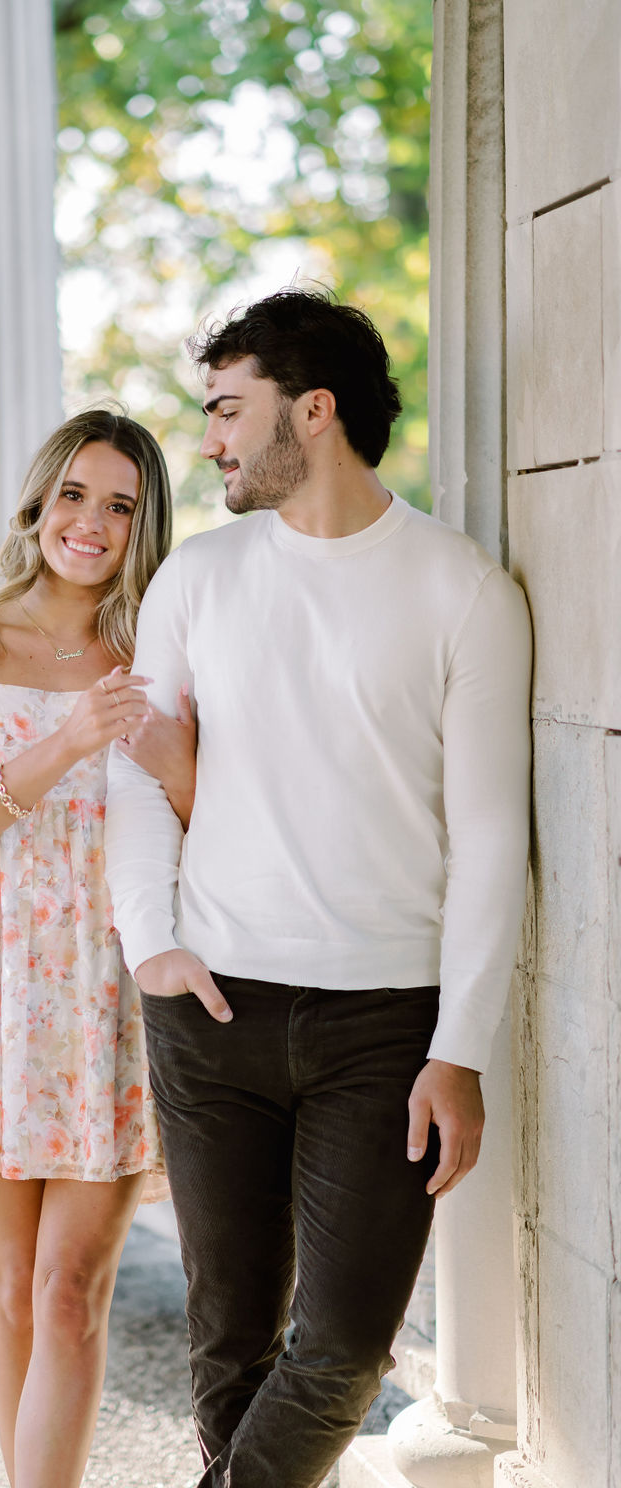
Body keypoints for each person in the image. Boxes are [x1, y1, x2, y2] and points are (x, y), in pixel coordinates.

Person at [104, 288, 532, 1488]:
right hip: (211, 1005)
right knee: (227, 1340)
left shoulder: (463, 592)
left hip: (382, 1029)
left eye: (227, 411)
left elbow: (494, 839)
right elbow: (139, 780)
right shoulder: (196, 582)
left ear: (316, 409)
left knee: (342, 1348)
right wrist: (152, 948)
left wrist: (458, 1048)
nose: (209, 442)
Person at [0, 409, 193, 1488]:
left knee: (73, 1287)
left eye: (120, 505)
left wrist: (159, 744)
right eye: (76, 493)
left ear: (141, 525)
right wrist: (68, 741)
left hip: (109, 992)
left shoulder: (156, 653)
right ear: (39, 502)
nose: (92, 522)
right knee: (15, 1289)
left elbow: (212, 816)